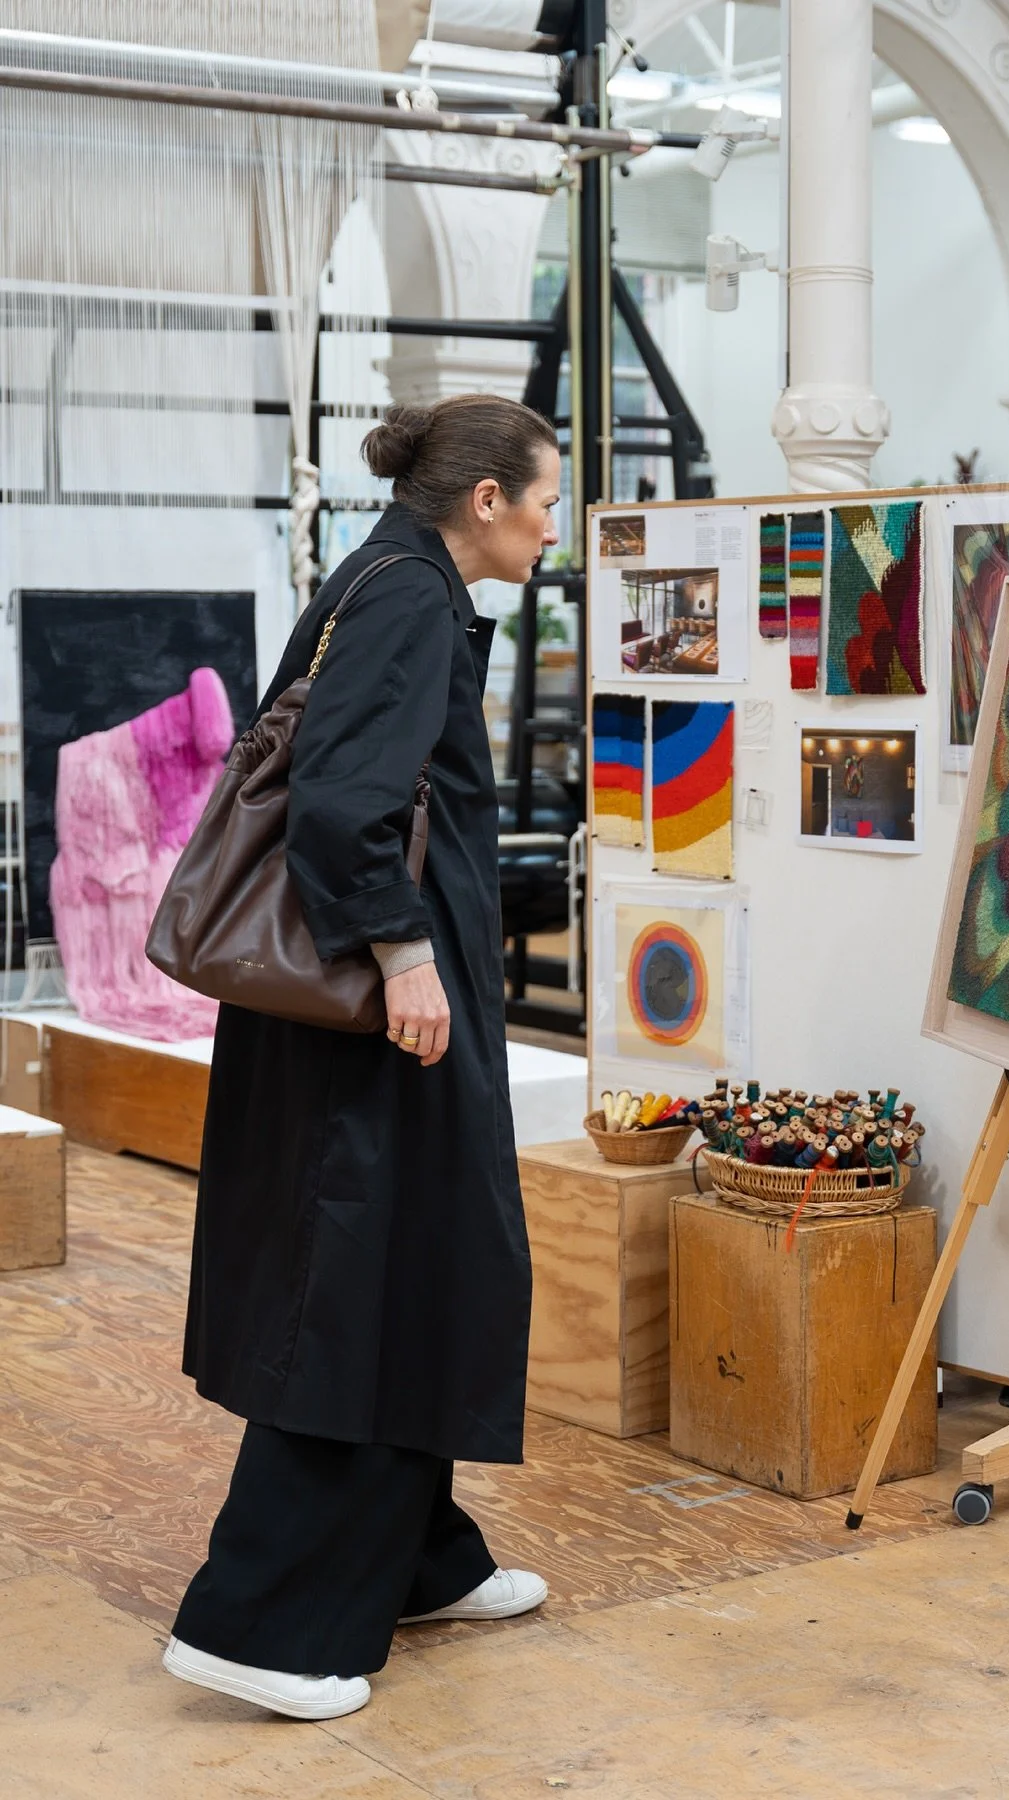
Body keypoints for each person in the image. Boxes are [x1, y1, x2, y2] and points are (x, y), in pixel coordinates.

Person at [163, 394, 563, 1721]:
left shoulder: (391, 572)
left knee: (417, 1267)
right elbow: (341, 805)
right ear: (487, 499)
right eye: (546, 499)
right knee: (362, 1285)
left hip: (355, 1002)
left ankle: (418, 1561)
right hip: (376, 1006)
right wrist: (402, 957)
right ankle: (263, 1626)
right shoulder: (405, 596)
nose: (554, 527)